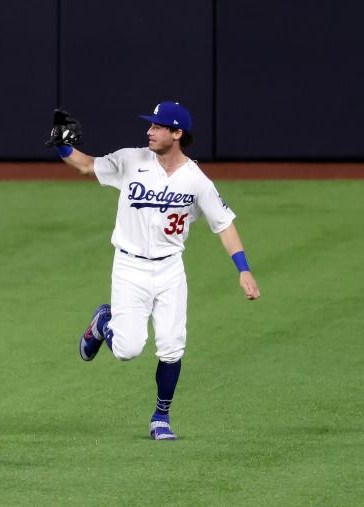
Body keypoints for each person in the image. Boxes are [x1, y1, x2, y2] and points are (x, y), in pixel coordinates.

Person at [46, 102, 260, 440]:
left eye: (158, 126)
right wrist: (62, 145)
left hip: (170, 270)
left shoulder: (196, 180)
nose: (150, 131)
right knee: (128, 350)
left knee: (172, 347)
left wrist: (243, 270)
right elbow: (86, 165)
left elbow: (224, 225)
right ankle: (103, 322)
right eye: (151, 125)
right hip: (129, 267)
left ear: (177, 134)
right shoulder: (132, 160)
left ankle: (161, 417)